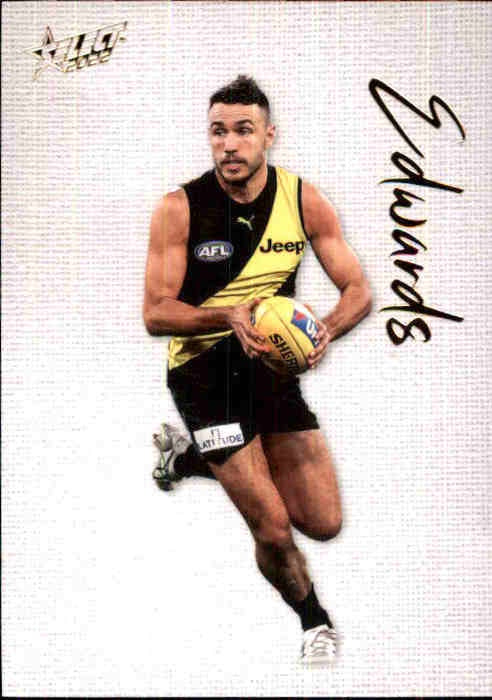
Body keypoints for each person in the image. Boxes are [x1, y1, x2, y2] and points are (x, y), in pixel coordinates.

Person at [143, 75, 371, 664]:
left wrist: (325, 331)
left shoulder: (303, 199)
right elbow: (156, 313)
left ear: (269, 135)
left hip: (269, 370)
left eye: (243, 130)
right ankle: (315, 623)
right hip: (203, 376)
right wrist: (226, 315)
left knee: (323, 521)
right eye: (218, 131)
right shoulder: (179, 209)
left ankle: (188, 459)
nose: (229, 144)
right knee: (271, 524)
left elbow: (358, 290)